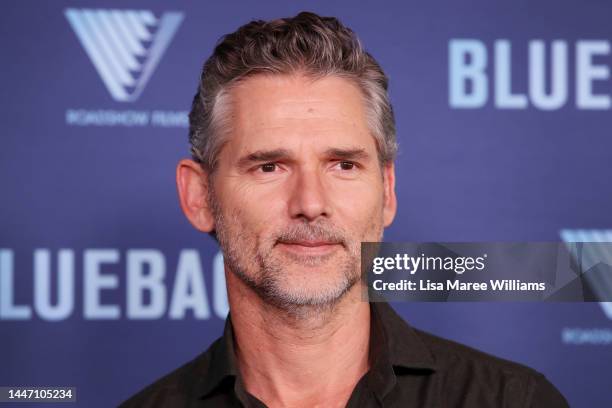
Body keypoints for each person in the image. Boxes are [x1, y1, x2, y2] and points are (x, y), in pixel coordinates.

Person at [120, 11, 568, 408]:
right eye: (269, 166)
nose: (311, 204)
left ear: (387, 190)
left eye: (344, 165)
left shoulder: (513, 400)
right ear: (199, 196)